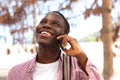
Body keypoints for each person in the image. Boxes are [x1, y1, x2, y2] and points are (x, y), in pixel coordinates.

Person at [8, 11, 103, 80]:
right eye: (43, 22)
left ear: (64, 36)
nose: (46, 25)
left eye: (55, 24)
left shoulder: (76, 69)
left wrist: (81, 55)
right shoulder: (16, 73)